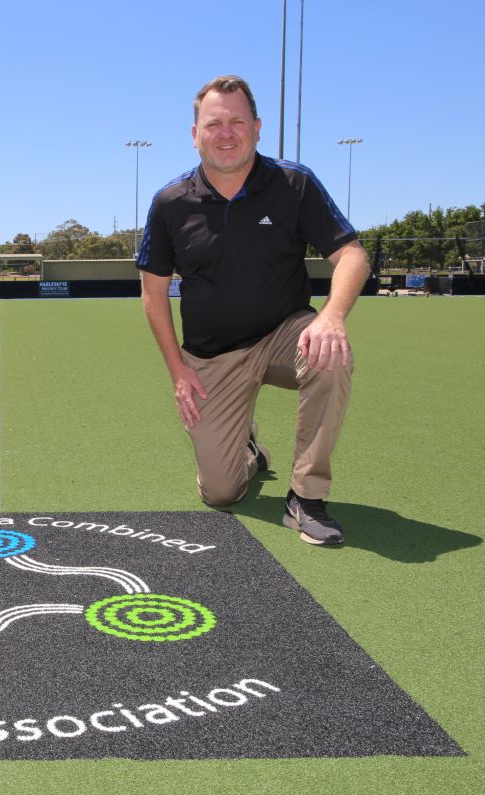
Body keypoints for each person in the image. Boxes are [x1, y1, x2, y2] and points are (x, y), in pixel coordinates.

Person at [137, 75, 370, 546]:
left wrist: (330, 316)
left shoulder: (293, 183)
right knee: (221, 493)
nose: (227, 133)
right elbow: (153, 294)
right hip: (213, 356)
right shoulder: (170, 203)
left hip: (285, 335)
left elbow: (353, 256)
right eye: (214, 123)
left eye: (237, 121)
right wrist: (179, 370)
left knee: (331, 353)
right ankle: (247, 446)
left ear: (258, 127)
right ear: (195, 133)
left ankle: (306, 498)